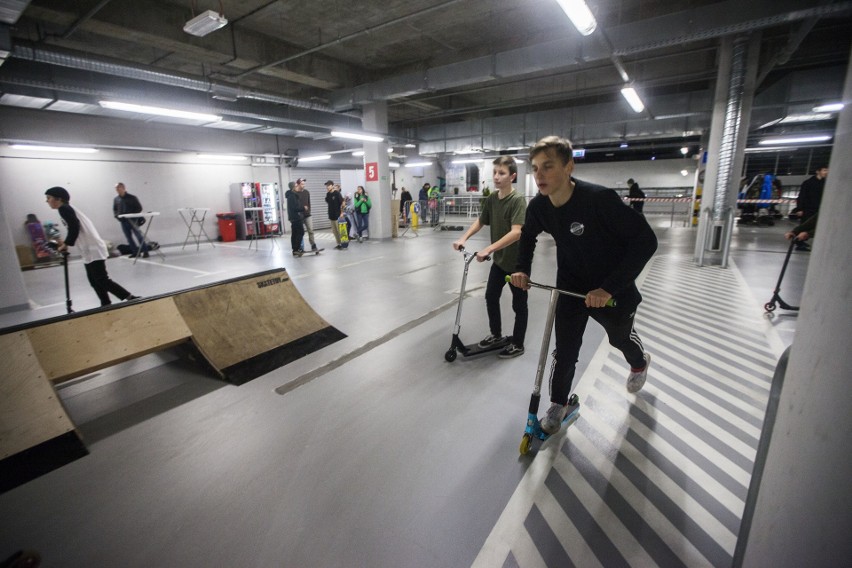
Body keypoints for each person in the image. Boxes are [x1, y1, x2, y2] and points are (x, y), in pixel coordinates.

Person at [509, 136, 658, 435]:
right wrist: (521, 269)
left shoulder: (599, 199)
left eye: (548, 167)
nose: (539, 175)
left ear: (569, 167)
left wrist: (609, 288)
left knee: (620, 339)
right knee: (564, 349)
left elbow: (646, 241)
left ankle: (640, 363)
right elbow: (527, 235)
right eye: (535, 168)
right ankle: (558, 403)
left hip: (612, 290)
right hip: (571, 286)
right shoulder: (539, 206)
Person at [452, 156, 528, 358]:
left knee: (519, 305)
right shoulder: (492, 199)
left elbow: (517, 232)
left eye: (501, 173)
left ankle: (518, 343)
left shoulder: (518, 200)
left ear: (512, 176)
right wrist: (464, 237)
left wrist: (489, 249)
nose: (496, 177)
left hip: (518, 264)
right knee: (491, 296)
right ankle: (496, 335)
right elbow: (481, 221)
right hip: (500, 262)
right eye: (495, 172)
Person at [44, 186, 139, 306]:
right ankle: (105, 303)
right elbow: (74, 228)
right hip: (87, 248)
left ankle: (129, 297)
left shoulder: (64, 208)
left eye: (49, 198)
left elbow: (74, 227)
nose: (47, 201)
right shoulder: (66, 208)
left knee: (101, 279)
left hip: (92, 247)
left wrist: (67, 244)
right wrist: (65, 242)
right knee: (94, 281)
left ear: (58, 199)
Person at [793, 166, 827, 250]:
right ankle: (799, 242)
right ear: (818, 171)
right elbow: (802, 196)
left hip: (818, 209)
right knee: (805, 225)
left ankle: (802, 240)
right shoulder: (808, 183)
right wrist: (799, 209)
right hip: (808, 209)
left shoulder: (825, 183)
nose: (826, 172)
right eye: (824, 170)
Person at [113, 182, 149, 258]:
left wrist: (131, 215)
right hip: (123, 221)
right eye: (116, 189)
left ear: (123, 188)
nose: (117, 190)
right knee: (129, 238)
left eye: (118, 188)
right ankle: (135, 252)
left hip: (133, 221)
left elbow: (139, 208)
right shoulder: (116, 199)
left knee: (139, 236)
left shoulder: (132, 198)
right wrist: (117, 216)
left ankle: (145, 251)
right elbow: (115, 209)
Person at [295, 178, 317, 252]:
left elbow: (309, 202)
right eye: (302, 184)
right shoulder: (295, 193)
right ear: (298, 184)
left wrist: (309, 210)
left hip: (308, 215)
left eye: (304, 184)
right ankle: (301, 247)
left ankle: (313, 245)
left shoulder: (307, 192)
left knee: (311, 230)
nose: (303, 185)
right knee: (300, 232)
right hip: (299, 216)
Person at [285, 181, 305, 256]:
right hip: (296, 217)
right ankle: (296, 249)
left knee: (295, 233)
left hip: (293, 217)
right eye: (296, 186)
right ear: (293, 187)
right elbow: (295, 208)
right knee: (300, 232)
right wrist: (303, 208)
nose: (297, 187)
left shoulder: (290, 195)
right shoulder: (292, 196)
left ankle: (295, 249)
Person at [324, 180, 345, 249]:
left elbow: (343, 203)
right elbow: (327, 201)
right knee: (334, 232)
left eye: (329, 185)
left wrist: (342, 213)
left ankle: (343, 244)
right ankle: (338, 244)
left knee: (339, 231)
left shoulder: (337, 193)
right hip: (331, 215)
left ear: (332, 186)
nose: (327, 187)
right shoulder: (328, 194)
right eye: (327, 186)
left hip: (337, 215)